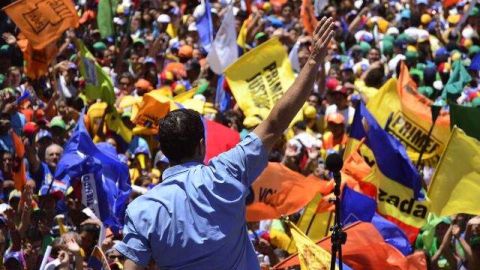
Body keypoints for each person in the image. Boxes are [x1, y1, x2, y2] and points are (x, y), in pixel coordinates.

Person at [114, 18, 335, 269]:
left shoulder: (142, 209)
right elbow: (275, 123)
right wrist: (314, 61)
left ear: (162, 151)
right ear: (201, 146)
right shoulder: (227, 171)